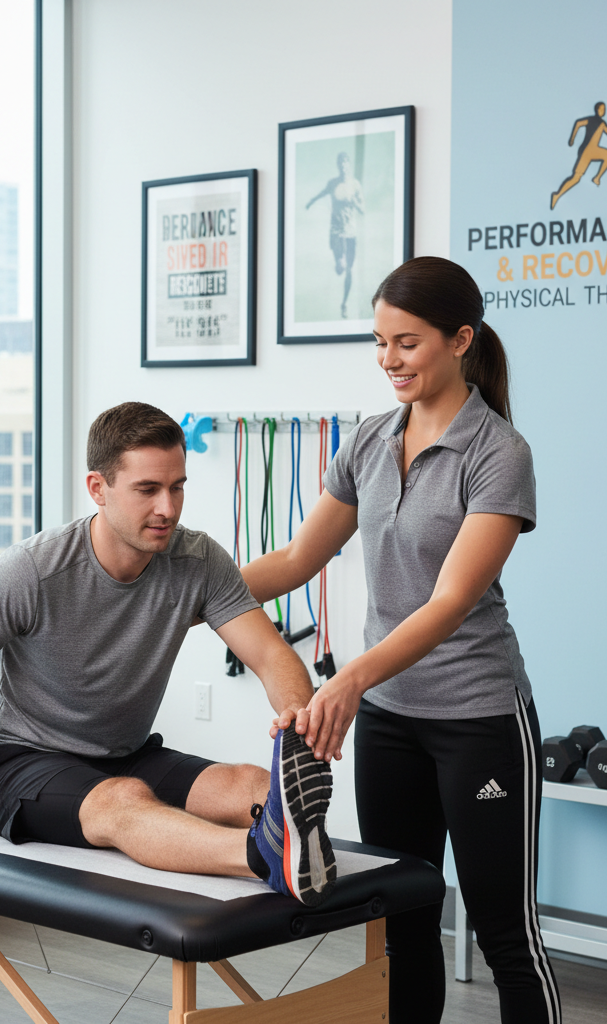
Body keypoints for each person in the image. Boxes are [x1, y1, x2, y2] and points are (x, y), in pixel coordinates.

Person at [241, 258, 562, 1024]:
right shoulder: (369, 440)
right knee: (400, 927)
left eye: (407, 343)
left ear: (460, 340)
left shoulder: (498, 454)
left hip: (478, 720)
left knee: (504, 933)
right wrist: (186, 595)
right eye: (379, 342)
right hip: (389, 723)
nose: (388, 360)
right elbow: (295, 560)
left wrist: (347, 679)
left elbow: (451, 601)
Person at [0, 401, 336, 908]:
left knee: (251, 785)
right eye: (147, 490)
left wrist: (298, 717)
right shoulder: (31, 573)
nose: (167, 508)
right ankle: (263, 855)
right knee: (124, 801)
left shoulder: (197, 561)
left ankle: (294, 842)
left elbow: (270, 655)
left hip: (124, 755)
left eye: (177, 487)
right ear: (98, 489)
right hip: (20, 763)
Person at [306, 151, 365, 318]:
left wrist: (354, 202)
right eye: (340, 163)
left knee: (349, 271)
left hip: (351, 232)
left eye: (346, 163)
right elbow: (322, 193)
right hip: (336, 231)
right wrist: (311, 202)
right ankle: (338, 261)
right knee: (341, 266)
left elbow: (363, 209)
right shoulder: (332, 183)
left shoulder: (355, 185)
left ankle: (344, 303)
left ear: (349, 165)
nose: (343, 166)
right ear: (338, 165)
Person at [550, 101, 607, 210]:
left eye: (604, 109)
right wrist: (572, 139)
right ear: (597, 110)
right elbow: (578, 123)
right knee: (576, 178)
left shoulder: (602, 123)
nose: (603, 111)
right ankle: (557, 195)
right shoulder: (591, 120)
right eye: (601, 109)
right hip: (586, 151)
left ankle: (597, 178)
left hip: (594, 150)